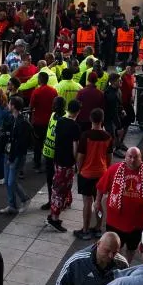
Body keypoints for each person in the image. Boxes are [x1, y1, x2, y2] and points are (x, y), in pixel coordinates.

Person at [95, 147, 143, 263]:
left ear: (141, 158)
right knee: (113, 248)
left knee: (132, 248)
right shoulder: (114, 170)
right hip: (115, 221)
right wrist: (97, 202)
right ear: (125, 157)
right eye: (130, 157)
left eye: (136, 157)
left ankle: (126, 264)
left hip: (137, 223)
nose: (132, 160)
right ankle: (113, 265)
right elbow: (100, 187)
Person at [74, 108, 112, 239]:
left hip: (86, 173)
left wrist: (79, 169)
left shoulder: (85, 136)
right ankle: (98, 228)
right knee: (99, 202)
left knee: (87, 203)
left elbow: (80, 156)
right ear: (102, 120)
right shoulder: (108, 136)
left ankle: (85, 230)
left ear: (91, 119)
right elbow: (109, 157)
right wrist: (106, 170)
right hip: (101, 173)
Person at [45, 99, 81, 233]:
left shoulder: (60, 121)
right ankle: (54, 218)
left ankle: (53, 214)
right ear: (78, 111)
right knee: (61, 190)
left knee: (56, 187)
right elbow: (75, 147)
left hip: (57, 159)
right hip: (67, 163)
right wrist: (77, 162)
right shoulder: (75, 127)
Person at [1, 96, 32, 214]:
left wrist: (12, 156)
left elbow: (21, 144)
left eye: (9, 103)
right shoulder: (12, 119)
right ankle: (11, 205)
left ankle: (24, 199)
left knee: (11, 181)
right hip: (9, 153)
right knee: (8, 182)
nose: (8, 105)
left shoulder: (23, 123)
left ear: (13, 106)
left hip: (16, 156)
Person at [30, 71, 58, 171]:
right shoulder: (53, 91)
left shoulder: (36, 91)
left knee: (37, 143)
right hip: (50, 121)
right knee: (49, 143)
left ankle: (37, 164)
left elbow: (31, 106)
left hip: (38, 121)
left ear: (40, 80)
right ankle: (48, 163)